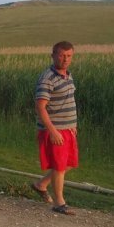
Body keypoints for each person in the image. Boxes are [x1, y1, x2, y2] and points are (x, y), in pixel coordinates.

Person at [30, 41, 78, 215]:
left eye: (69, 56)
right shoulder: (47, 78)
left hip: (68, 129)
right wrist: (52, 131)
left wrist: (73, 125)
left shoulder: (68, 75)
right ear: (53, 56)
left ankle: (41, 184)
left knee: (70, 164)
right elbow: (40, 107)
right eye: (61, 55)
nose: (65, 59)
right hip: (55, 130)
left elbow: (68, 101)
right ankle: (59, 202)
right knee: (59, 166)